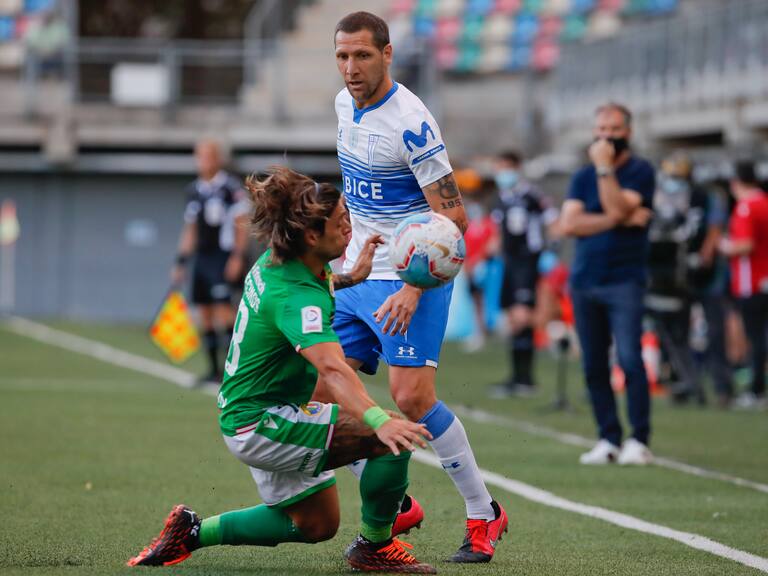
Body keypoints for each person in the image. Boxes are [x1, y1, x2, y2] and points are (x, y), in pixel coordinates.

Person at [127, 167, 437, 573]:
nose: (350, 225)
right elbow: (333, 368)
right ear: (311, 236)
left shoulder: (281, 261)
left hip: (251, 414)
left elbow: (311, 285)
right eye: (341, 220)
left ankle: (191, 533)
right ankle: (375, 547)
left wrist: (353, 276)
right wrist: (378, 421)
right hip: (262, 422)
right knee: (393, 439)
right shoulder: (294, 295)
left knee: (318, 524)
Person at [328, 11, 508, 563]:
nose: (351, 68)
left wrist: (412, 286)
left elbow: (454, 218)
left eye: (362, 55)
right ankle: (396, 498)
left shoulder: (411, 122)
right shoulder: (342, 105)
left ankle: (484, 514)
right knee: (318, 392)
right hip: (358, 273)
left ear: (387, 54)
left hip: (407, 281)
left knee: (411, 398)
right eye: (342, 56)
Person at [560, 103, 656, 466]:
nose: (606, 136)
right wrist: (618, 218)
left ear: (627, 132)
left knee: (630, 359)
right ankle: (608, 437)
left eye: (613, 129)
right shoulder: (582, 176)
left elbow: (615, 203)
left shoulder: (640, 171)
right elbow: (570, 225)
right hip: (585, 279)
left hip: (624, 280)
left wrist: (604, 170)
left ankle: (639, 439)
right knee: (593, 364)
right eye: (601, 128)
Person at [171, 140, 250, 383]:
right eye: (199, 156)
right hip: (202, 258)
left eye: (207, 156)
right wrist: (181, 261)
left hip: (223, 257)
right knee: (204, 312)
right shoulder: (194, 190)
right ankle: (214, 370)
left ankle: (233, 370)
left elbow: (241, 224)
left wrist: (238, 256)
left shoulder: (230, 187)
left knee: (225, 311)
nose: (202, 161)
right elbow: (190, 228)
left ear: (217, 159)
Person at [489, 151, 559, 397]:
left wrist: (550, 250)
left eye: (506, 168)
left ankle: (525, 379)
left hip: (526, 261)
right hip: (509, 262)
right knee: (513, 318)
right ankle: (517, 377)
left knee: (523, 316)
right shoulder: (501, 198)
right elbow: (499, 232)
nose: (503, 174)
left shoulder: (532, 195)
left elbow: (553, 221)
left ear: (517, 168)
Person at [719, 160, 768, 410]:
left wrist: (725, 246)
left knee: (756, 338)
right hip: (764, 278)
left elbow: (746, 244)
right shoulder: (765, 202)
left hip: (752, 281)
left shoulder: (746, 207)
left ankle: (757, 389)